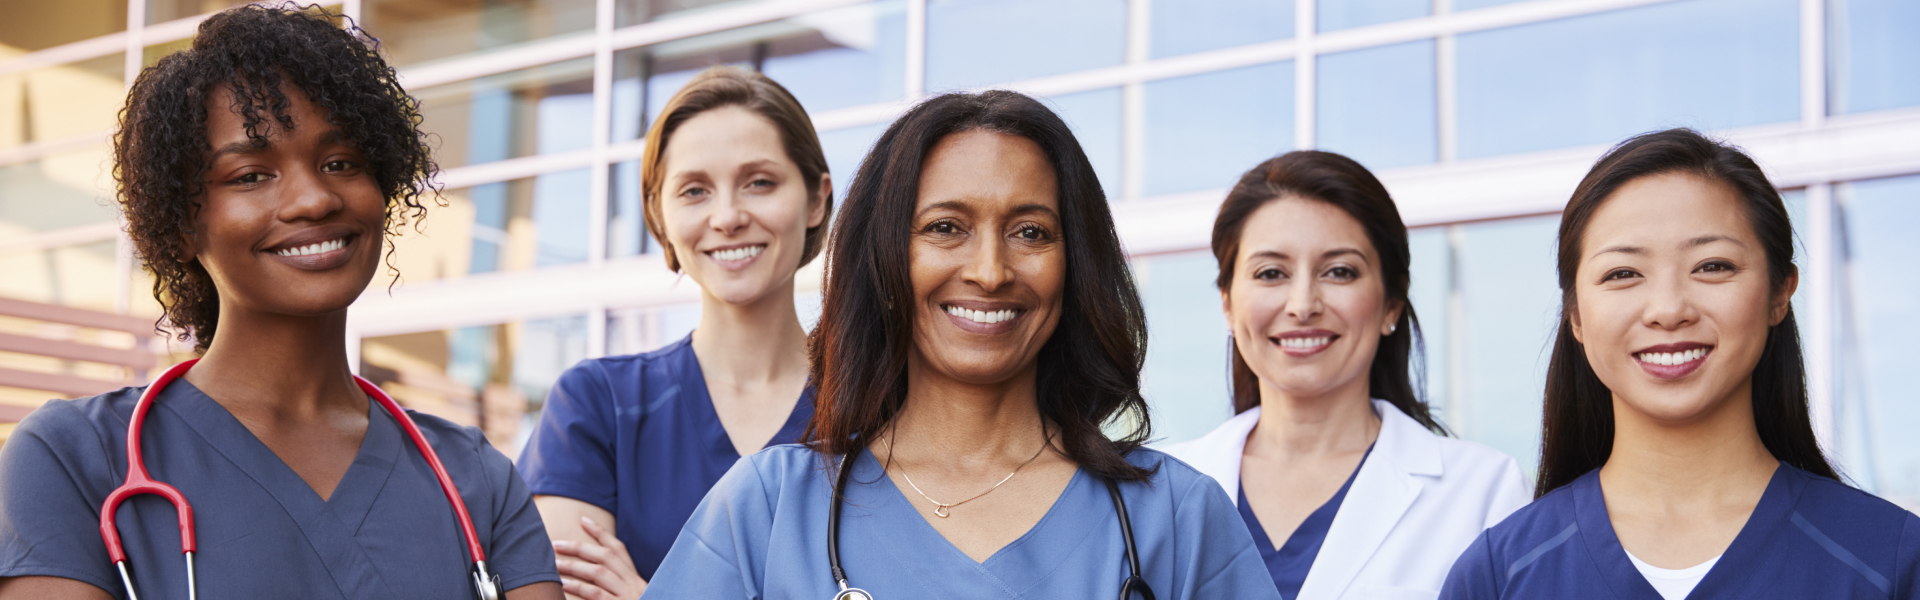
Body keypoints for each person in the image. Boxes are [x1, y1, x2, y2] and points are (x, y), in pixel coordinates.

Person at [0, 6, 561, 600]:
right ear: (180, 226)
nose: (314, 199)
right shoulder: (73, 457)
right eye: (249, 175)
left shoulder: (475, 478)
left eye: (341, 163)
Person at [639, 89, 1280, 599]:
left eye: (1031, 232)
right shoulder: (769, 511)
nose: (991, 270)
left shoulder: (1177, 518)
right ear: (884, 258)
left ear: (1074, 264)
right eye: (946, 228)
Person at [1439, 129, 1920, 599]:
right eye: (1623, 273)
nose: (1668, 310)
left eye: (1713, 266)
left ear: (1780, 293)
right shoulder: (1498, 576)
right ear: (1576, 317)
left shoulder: (1891, 560)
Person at [514, 66, 831, 600]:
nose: (728, 216)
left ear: (816, 200)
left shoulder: (880, 405)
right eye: (694, 190)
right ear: (658, 216)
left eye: (760, 182)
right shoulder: (597, 406)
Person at [1162, 151, 1530, 599]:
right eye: (1271, 273)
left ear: (1391, 304)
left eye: (1339, 271)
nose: (1302, 304)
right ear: (1227, 303)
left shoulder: (1485, 493)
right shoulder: (1158, 490)